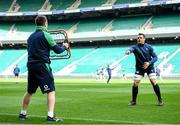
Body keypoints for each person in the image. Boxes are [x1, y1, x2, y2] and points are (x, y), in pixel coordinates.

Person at [18, 15, 69, 122]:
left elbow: (31, 50)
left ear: (36, 24)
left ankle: (22, 114)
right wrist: (65, 46)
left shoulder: (30, 37)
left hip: (31, 66)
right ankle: (50, 116)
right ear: (45, 23)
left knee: (30, 91)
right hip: (42, 66)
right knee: (51, 90)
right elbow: (58, 50)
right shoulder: (46, 35)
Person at [125, 33, 163, 106]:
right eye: (138, 38)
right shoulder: (135, 47)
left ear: (144, 39)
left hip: (150, 67)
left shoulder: (149, 47)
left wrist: (149, 63)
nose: (139, 39)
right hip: (140, 68)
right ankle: (134, 101)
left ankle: (160, 99)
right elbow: (130, 49)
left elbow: (155, 57)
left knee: (153, 82)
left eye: (140, 37)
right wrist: (128, 51)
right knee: (135, 83)